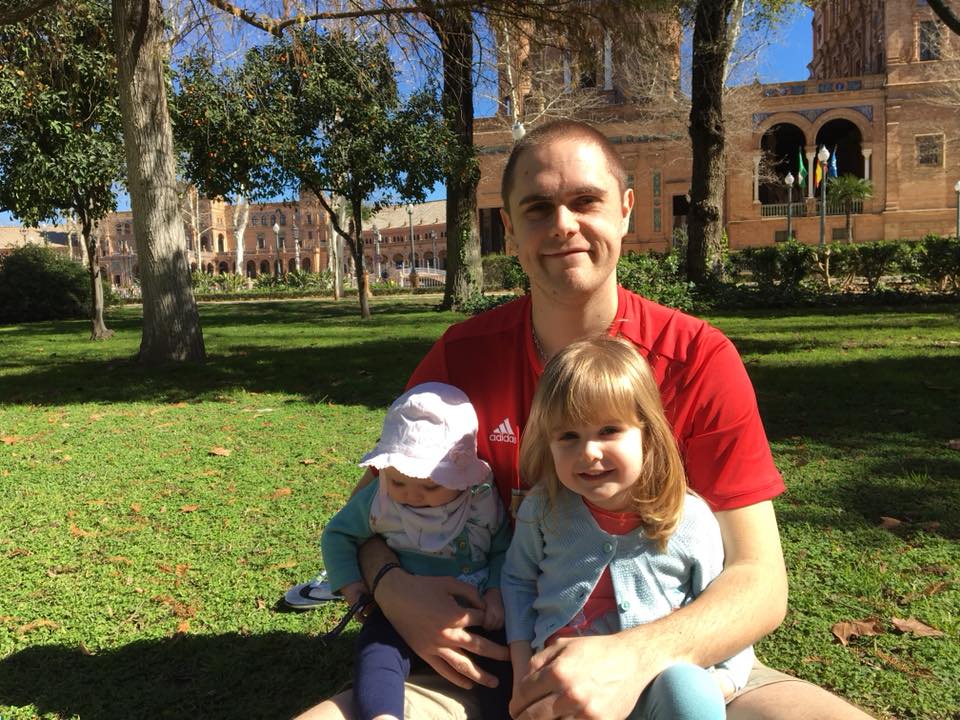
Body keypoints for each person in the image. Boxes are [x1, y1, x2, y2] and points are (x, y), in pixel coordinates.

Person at [297, 119, 874, 719]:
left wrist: (635, 656)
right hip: (496, 665)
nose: (563, 225)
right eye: (538, 208)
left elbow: (760, 579)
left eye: (585, 202)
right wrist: (396, 591)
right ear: (512, 228)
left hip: (679, 663)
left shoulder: (699, 359)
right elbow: (373, 510)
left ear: (625, 209)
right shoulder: (460, 358)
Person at [502, 336, 754, 720]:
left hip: (654, 685)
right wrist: (523, 671)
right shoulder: (542, 509)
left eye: (608, 431)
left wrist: (723, 681)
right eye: (568, 436)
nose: (589, 451)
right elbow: (518, 582)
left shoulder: (688, 518)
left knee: (687, 688)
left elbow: (720, 608)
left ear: (648, 435)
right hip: (564, 689)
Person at [319, 382, 512, 720]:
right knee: (377, 651)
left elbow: (501, 548)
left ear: (462, 476)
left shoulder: (480, 502)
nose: (412, 494)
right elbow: (337, 535)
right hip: (402, 612)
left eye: (430, 485)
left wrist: (496, 591)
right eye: (398, 481)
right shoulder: (379, 502)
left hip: (478, 608)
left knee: (501, 665)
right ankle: (382, 713)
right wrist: (351, 586)